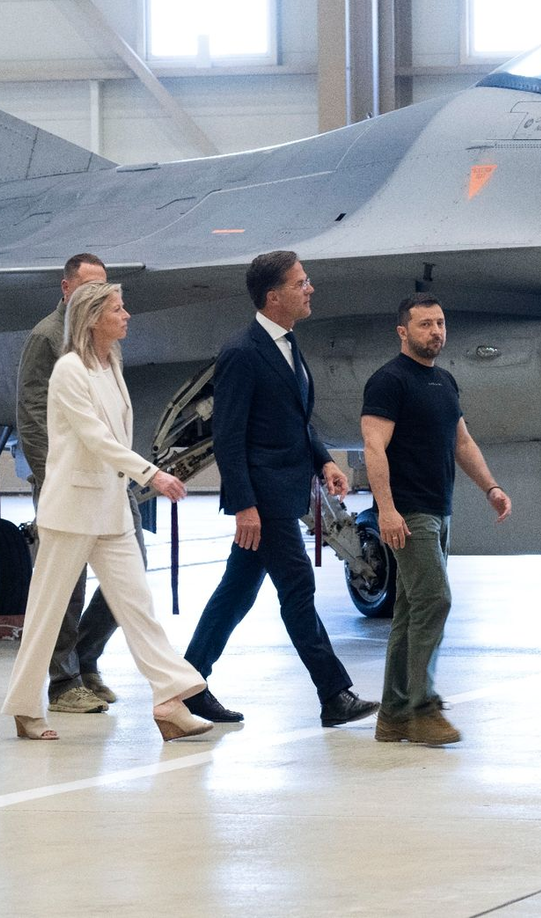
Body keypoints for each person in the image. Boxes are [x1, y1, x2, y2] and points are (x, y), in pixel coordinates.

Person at [2, 282, 211, 742]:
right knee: (46, 614)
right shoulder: (69, 371)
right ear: (94, 318)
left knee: (138, 607)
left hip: (110, 509)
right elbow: (96, 438)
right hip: (71, 511)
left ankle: (169, 701)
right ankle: (23, 707)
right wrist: (151, 474)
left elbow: (113, 434)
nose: (128, 315)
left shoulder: (110, 364)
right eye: (118, 309)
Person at [182, 251, 378, 728]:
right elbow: (227, 437)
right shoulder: (243, 353)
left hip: (283, 491)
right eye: (301, 282)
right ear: (274, 296)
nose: (310, 289)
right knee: (298, 587)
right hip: (263, 499)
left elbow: (297, 419)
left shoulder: (287, 345)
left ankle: (186, 685)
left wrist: (326, 461)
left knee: (237, 591)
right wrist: (245, 506)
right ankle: (334, 694)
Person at [361, 294, 511, 746]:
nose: (436, 332)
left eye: (440, 323)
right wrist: (386, 509)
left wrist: (491, 487)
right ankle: (422, 706)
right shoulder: (388, 381)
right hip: (408, 511)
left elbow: (462, 443)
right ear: (403, 332)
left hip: (439, 508)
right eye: (425, 324)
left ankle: (392, 715)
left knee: (411, 610)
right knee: (435, 600)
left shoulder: (444, 382)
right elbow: (373, 448)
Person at [16, 252, 148, 715]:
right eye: (89, 286)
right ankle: (61, 679)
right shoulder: (48, 338)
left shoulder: (105, 343)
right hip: (67, 482)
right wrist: (49, 478)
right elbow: (32, 414)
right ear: (67, 288)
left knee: (132, 577)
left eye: (105, 286)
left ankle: (85, 656)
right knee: (64, 588)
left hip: (111, 482)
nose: (101, 295)